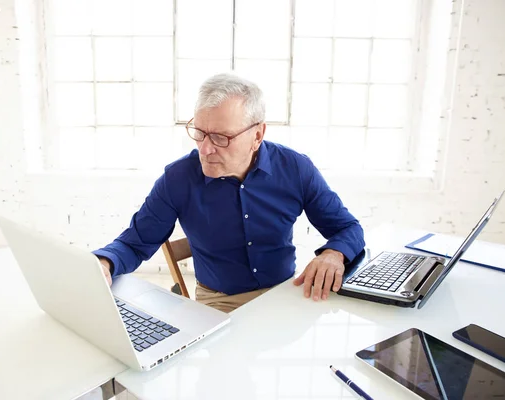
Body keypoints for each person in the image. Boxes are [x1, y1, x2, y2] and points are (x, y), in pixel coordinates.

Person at [93, 73, 365, 313]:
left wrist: (333, 254)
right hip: (218, 303)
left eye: (221, 138)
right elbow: (134, 243)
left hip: (284, 293)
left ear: (257, 135)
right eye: (199, 133)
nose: (205, 149)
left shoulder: (295, 168)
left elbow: (348, 229)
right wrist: (103, 263)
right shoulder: (177, 179)